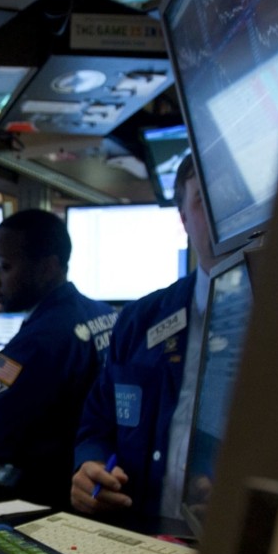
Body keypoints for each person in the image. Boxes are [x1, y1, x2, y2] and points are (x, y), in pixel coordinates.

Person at [71, 154, 223, 529]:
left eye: (231, 196)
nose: (221, 213)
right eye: (204, 199)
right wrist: (90, 466)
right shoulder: (140, 320)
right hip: (138, 535)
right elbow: (98, 423)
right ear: (184, 219)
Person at [0, 209, 115, 507]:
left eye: (4, 266)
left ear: (48, 268)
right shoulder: (104, 313)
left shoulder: (40, 341)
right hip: (88, 486)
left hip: (47, 497)